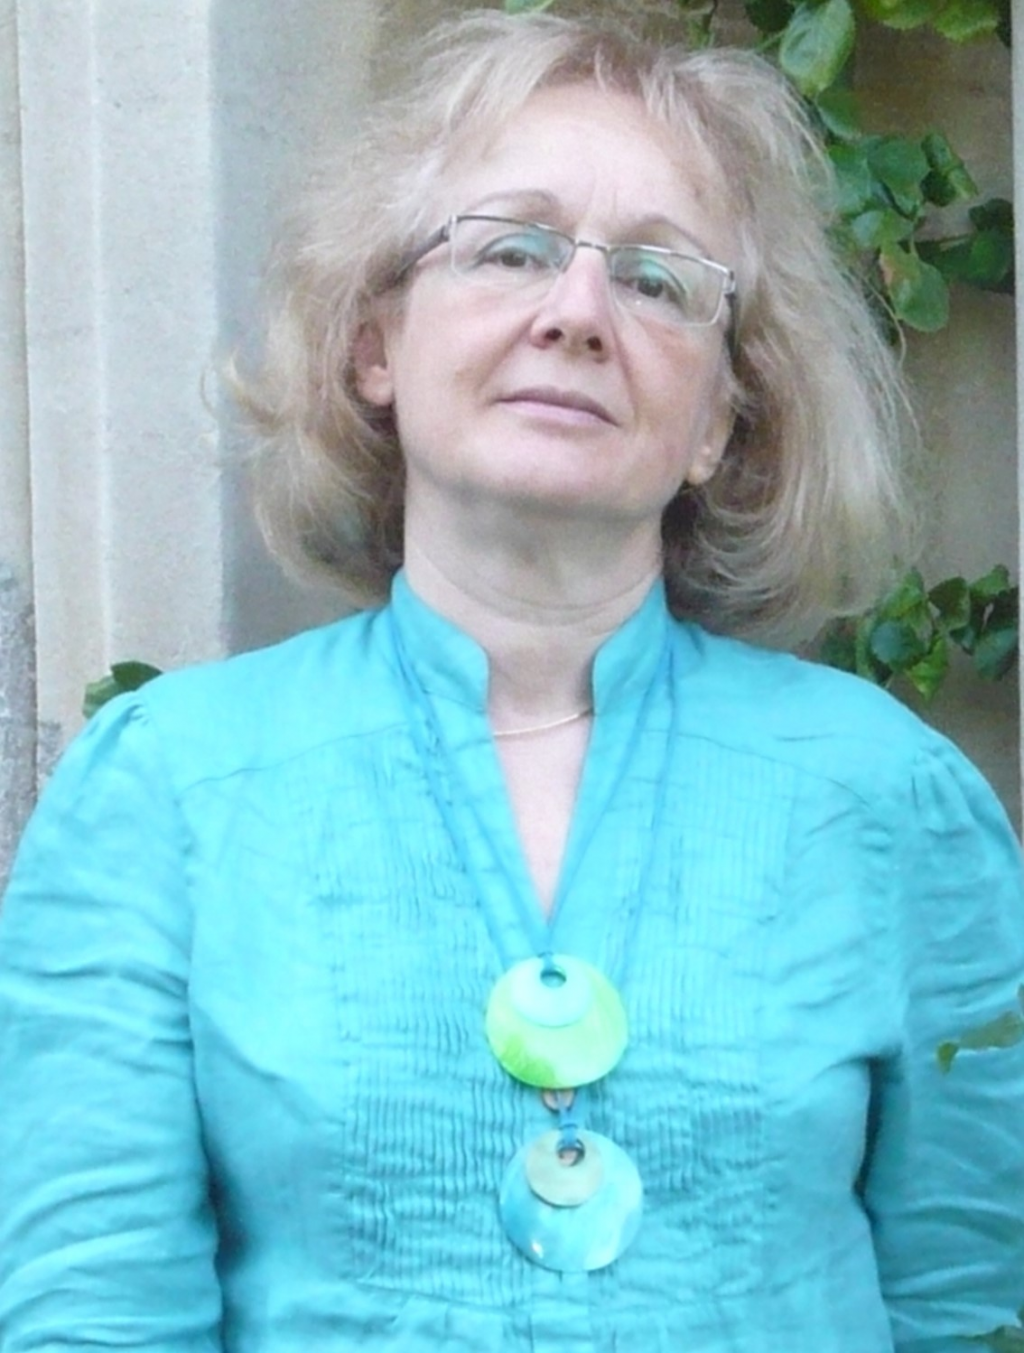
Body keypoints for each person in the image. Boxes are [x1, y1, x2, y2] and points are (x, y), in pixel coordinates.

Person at [1, 9, 1022, 1351]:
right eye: (512, 248)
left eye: (656, 279)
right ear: (376, 343)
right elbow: (92, 1316)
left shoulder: (891, 800)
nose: (578, 312)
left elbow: (974, 1306)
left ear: (719, 418)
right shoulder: (168, 791)